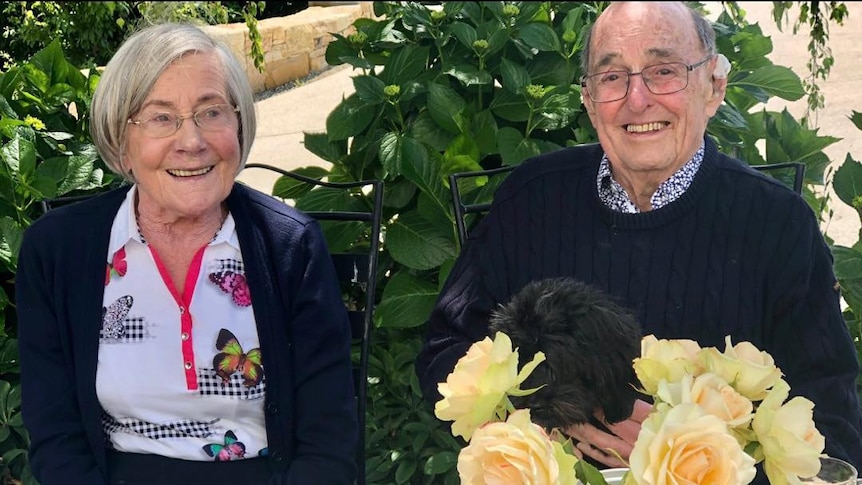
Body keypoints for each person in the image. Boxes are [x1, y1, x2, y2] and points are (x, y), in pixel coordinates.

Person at [415, 0, 862, 478]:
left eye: (663, 71)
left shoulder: (778, 224)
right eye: (612, 77)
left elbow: (832, 422)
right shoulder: (532, 199)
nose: (637, 99)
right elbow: (446, 348)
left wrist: (704, 452)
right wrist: (535, 426)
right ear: (588, 100)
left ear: (714, 87)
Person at [17, 23, 357, 484]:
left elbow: (328, 440)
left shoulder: (290, 246)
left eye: (211, 112)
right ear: (121, 142)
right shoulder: (57, 250)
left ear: (238, 124)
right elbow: (57, 438)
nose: (192, 142)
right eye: (161, 118)